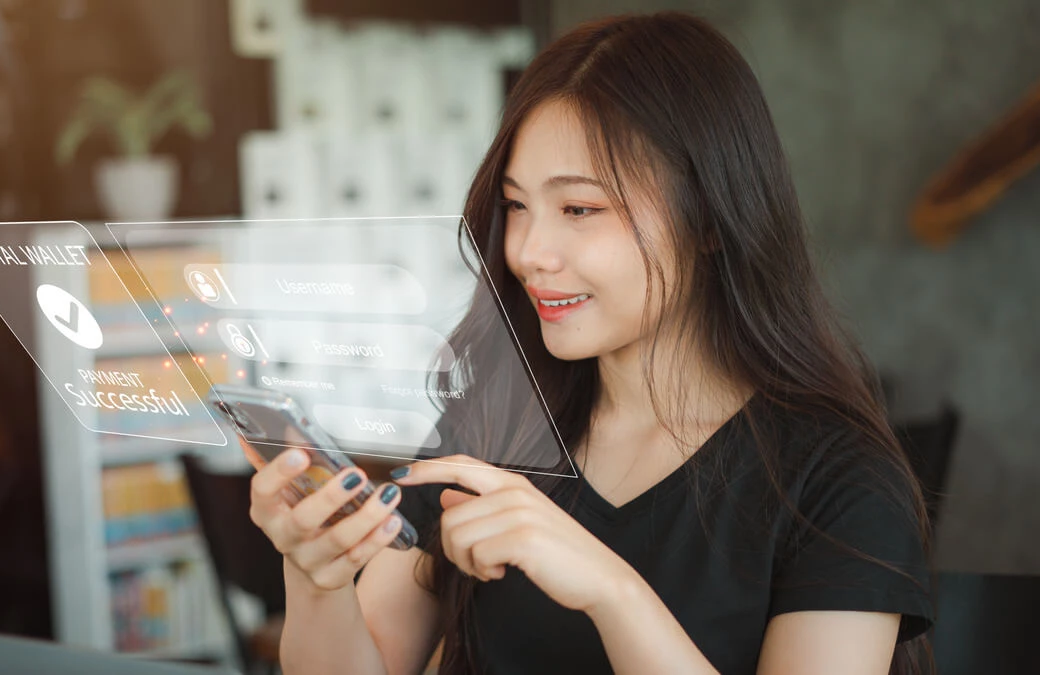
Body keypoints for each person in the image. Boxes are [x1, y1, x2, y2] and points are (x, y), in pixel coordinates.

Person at [247, 11, 934, 675]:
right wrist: (317, 576)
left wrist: (613, 592)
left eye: (580, 209)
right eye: (517, 206)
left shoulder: (841, 479)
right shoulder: (494, 421)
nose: (528, 251)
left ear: (711, 219)